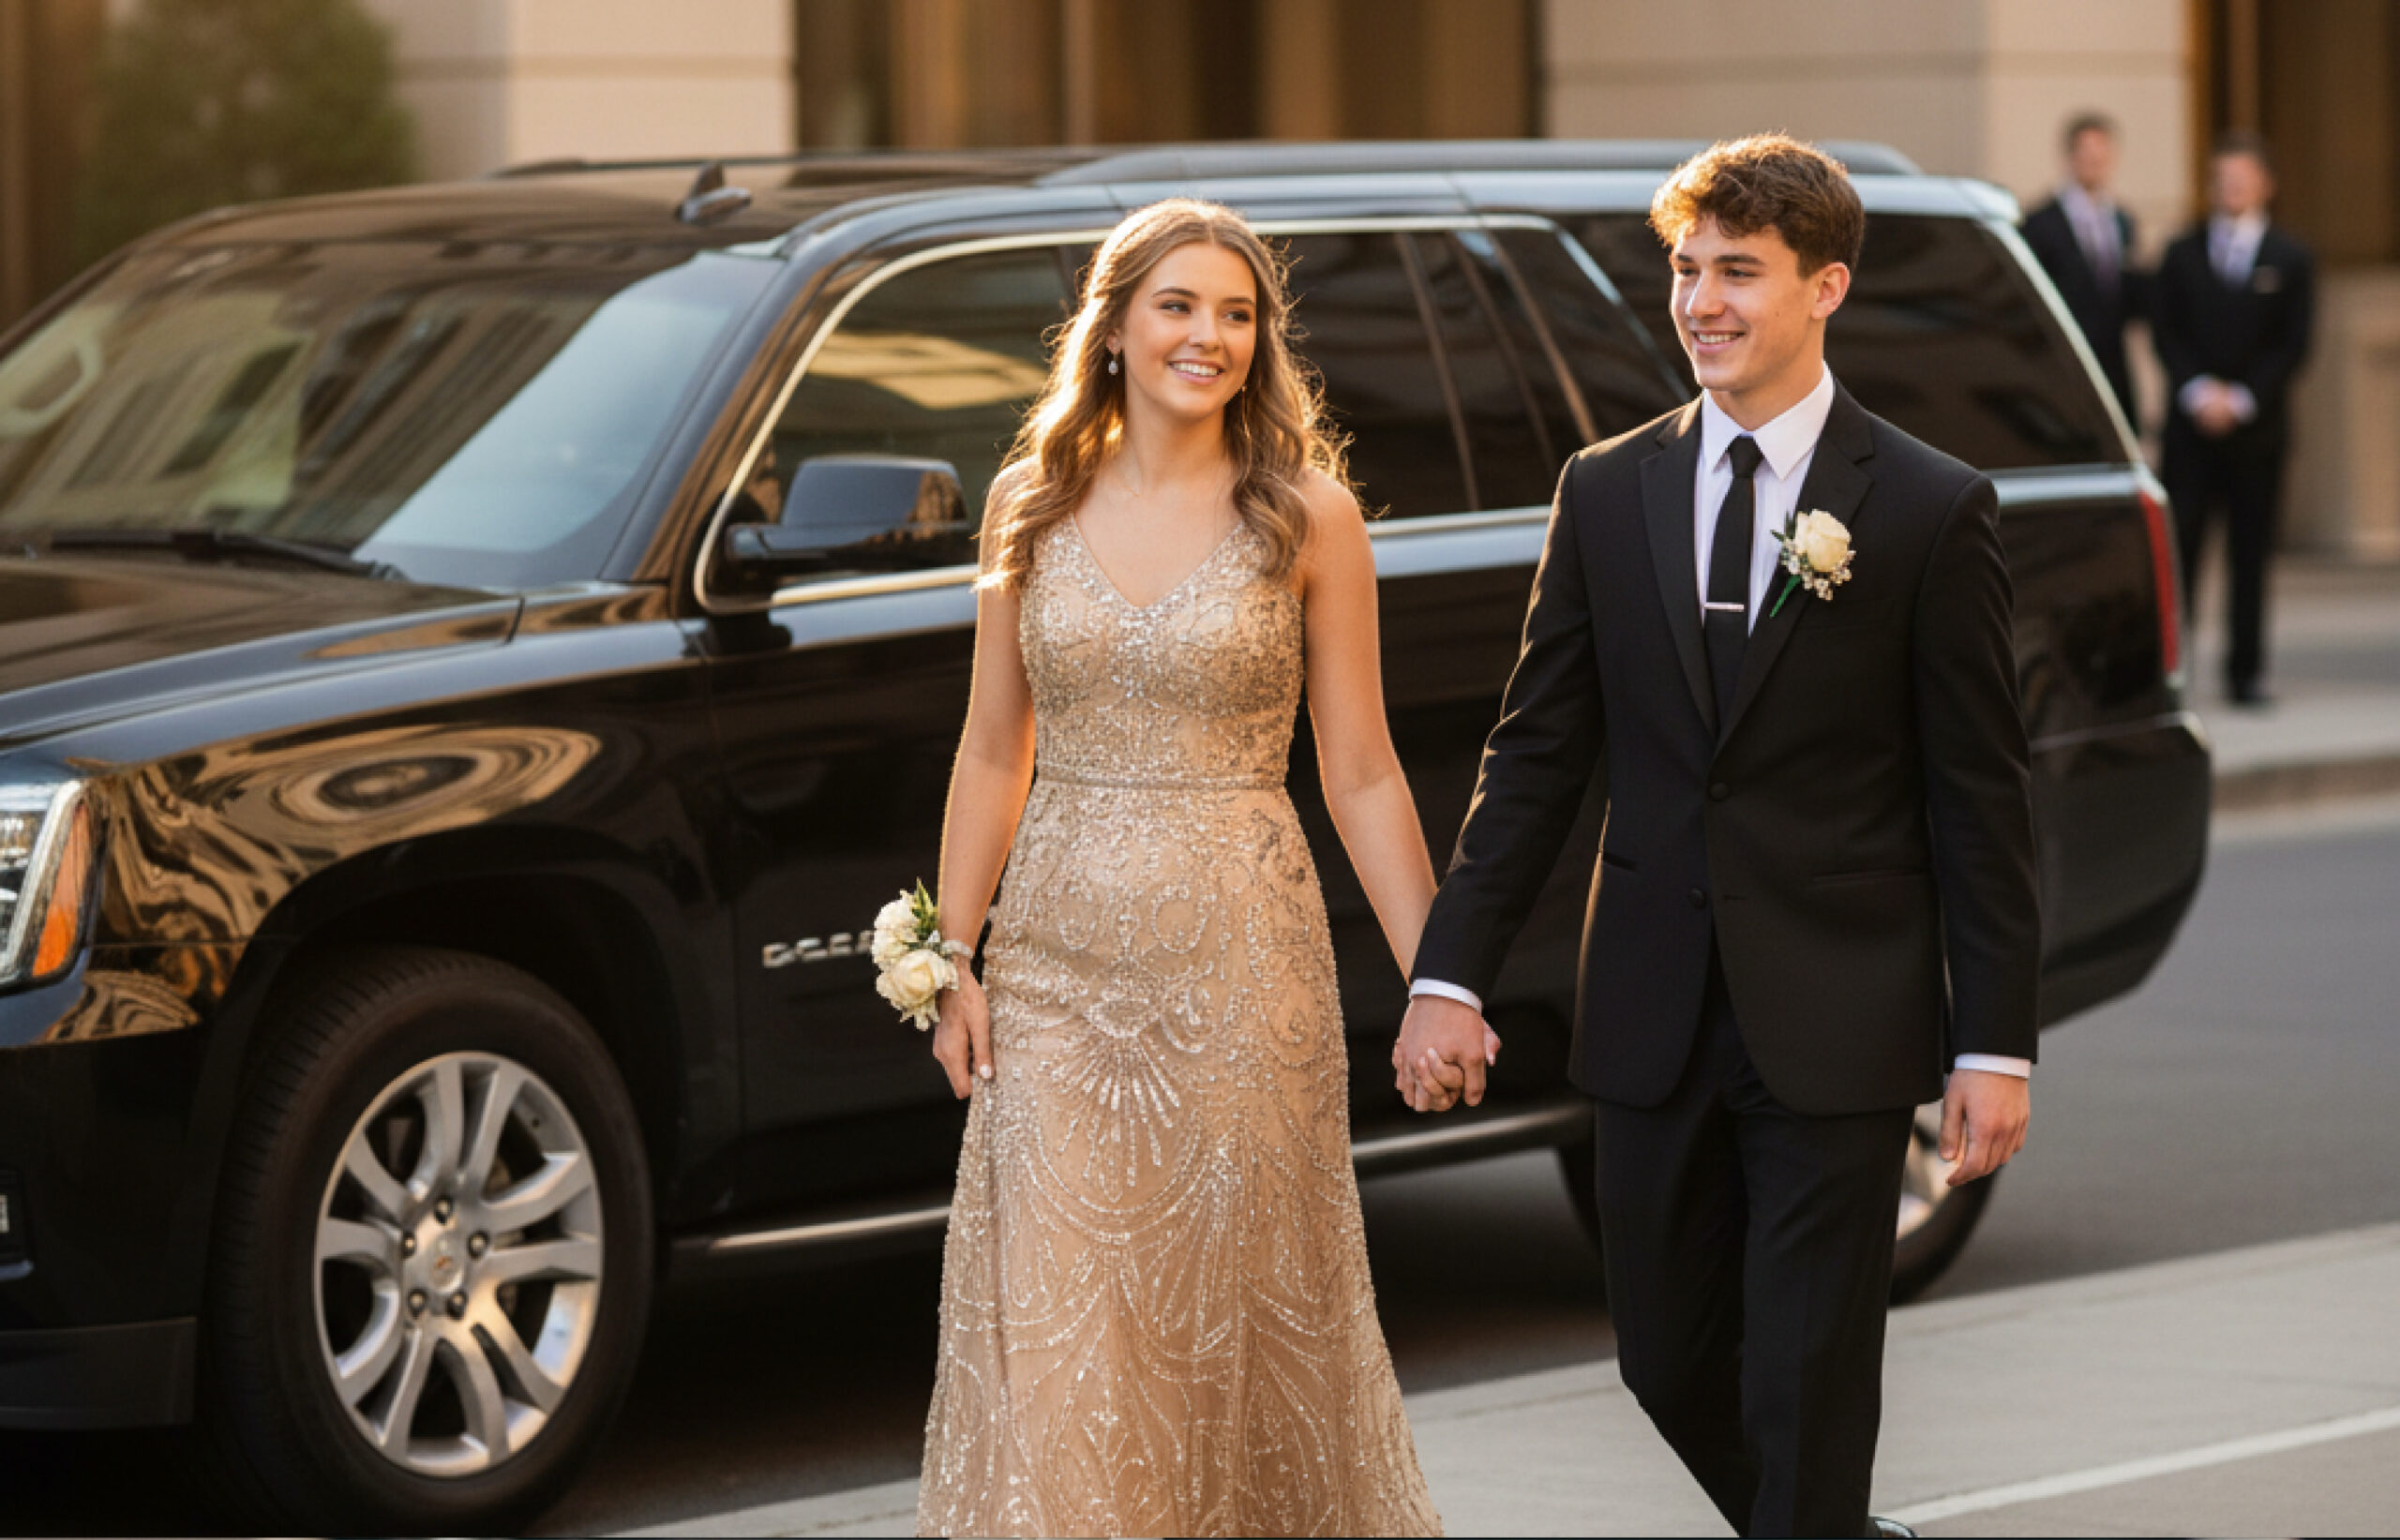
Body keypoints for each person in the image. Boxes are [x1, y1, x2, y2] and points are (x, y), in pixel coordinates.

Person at [1396, 135, 2040, 1538]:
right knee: (1668, 1356)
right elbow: (1539, 752)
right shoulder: (1607, 489)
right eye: (1686, 270)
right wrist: (1450, 969)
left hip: (1840, 1013)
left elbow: (1979, 799)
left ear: (1826, 287)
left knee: (1809, 1375)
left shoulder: (1931, 508)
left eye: (1737, 272)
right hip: (1648, 1003)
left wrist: (1992, 1042)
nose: (1700, 301)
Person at [914, 198, 1449, 1537]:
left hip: (1240, 978)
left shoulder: (1310, 517)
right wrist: (951, 957)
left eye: (1236, 312)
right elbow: (991, 752)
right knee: (1059, 1331)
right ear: (1114, 326)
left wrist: (1442, 978)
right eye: (1178, 304)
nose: (1207, 335)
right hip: (1052, 982)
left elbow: (1364, 769)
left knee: (1237, 1336)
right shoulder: (1027, 504)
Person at [2151, 130, 2316, 708]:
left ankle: (2246, 672)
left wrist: (2242, 398)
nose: (2232, 188)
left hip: (2258, 435)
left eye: (2242, 178)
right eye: (2222, 179)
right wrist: (2198, 393)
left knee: (2250, 556)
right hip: (2190, 434)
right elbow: (2165, 331)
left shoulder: (2292, 258)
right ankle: (2172, 676)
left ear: (2265, 185)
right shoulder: (2181, 252)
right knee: (2182, 556)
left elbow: (2294, 345)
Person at [2021, 112, 2143, 424]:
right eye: (2087, 153)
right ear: (2070, 157)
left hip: (2113, 370)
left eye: (2102, 153)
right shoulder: (2040, 224)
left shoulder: (2122, 220)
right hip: (2062, 370)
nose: (2095, 161)